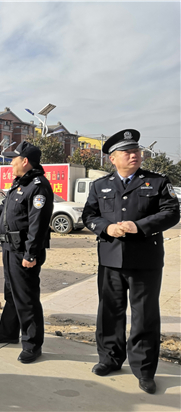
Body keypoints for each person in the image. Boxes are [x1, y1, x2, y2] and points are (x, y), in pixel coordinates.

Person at [82, 129, 179, 394]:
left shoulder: (157, 182)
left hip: (145, 260)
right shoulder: (100, 185)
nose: (134, 155)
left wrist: (139, 226)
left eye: (136, 150)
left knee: (144, 316)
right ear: (113, 158)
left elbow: (171, 213)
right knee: (109, 312)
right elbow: (89, 215)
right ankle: (109, 359)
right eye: (127, 152)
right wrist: (106, 228)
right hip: (110, 259)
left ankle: (144, 369)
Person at [0, 141, 53, 364]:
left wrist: (31, 254)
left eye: (13, 160)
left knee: (26, 298)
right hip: (9, 248)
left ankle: (32, 344)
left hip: (23, 252)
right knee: (11, 294)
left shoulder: (38, 186)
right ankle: (8, 332)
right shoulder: (20, 184)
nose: (11, 164)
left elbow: (38, 225)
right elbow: (4, 209)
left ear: (25, 161)